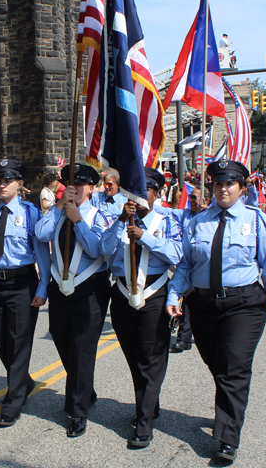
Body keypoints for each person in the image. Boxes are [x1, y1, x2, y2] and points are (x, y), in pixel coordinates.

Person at [167, 160, 266, 462]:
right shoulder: (197, 222)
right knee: (219, 367)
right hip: (204, 305)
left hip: (244, 305)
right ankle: (229, 415)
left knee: (234, 369)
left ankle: (227, 437)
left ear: (242, 188)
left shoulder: (257, 220)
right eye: (218, 183)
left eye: (230, 184)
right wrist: (175, 294)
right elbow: (186, 264)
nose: (223, 189)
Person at [100, 167, 183, 449]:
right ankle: (150, 403)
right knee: (134, 356)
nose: (136, 196)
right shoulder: (120, 218)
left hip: (153, 294)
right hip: (122, 293)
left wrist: (144, 236)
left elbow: (176, 255)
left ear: (156, 193)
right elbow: (105, 250)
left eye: (144, 189)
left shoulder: (166, 220)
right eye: (131, 190)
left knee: (150, 357)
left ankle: (144, 422)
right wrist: (121, 221)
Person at [0, 159, 50, 427]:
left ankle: (13, 401)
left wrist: (42, 288)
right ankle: (24, 381)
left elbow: (42, 255)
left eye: (8, 180)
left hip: (22, 284)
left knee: (18, 342)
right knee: (0, 340)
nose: (2, 185)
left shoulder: (29, 213)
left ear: (20, 184)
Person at [35, 163, 110, 438]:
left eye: (80, 184)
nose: (74, 188)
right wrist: (58, 210)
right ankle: (85, 390)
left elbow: (97, 249)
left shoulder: (98, 216)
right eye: (70, 184)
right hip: (60, 289)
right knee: (63, 341)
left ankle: (77, 411)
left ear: (91, 188)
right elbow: (41, 235)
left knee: (81, 350)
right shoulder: (55, 213)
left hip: (90, 290)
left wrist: (77, 219)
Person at [169, 185, 212, 354]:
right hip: (188, 264)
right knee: (186, 298)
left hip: (205, 266)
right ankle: (184, 338)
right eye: (191, 197)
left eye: (194, 198)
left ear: (206, 200)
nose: (191, 201)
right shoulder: (186, 214)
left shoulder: (212, 216)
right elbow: (167, 212)